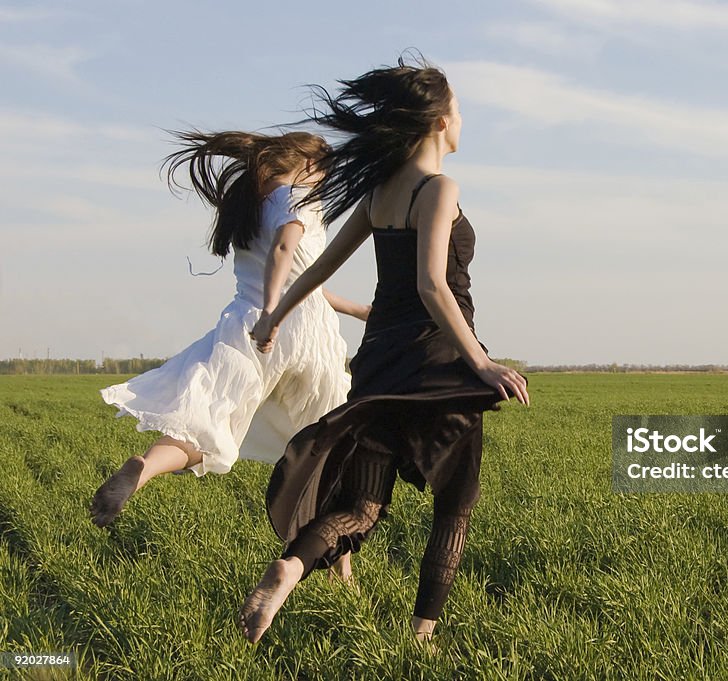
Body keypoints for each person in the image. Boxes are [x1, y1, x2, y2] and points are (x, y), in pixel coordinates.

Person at [239, 58, 529, 645]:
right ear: (440, 121)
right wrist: (480, 362)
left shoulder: (379, 192)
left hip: (377, 362)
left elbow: (319, 266)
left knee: (365, 505)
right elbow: (432, 285)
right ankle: (421, 636)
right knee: (455, 500)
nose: (463, 120)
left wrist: (275, 314)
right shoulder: (439, 188)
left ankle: (291, 567)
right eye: (461, 110)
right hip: (437, 361)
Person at [91, 131, 369, 588]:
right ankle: (342, 570)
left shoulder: (248, 206)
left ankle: (143, 470)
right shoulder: (297, 197)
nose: (324, 178)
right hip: (296, 333)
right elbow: (286, 248)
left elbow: (303, 275)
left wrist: (356, 310)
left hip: (243, 327)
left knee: (204, 425)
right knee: (335, 448)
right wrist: (275, 312)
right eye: (322, 168)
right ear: (303, 165)